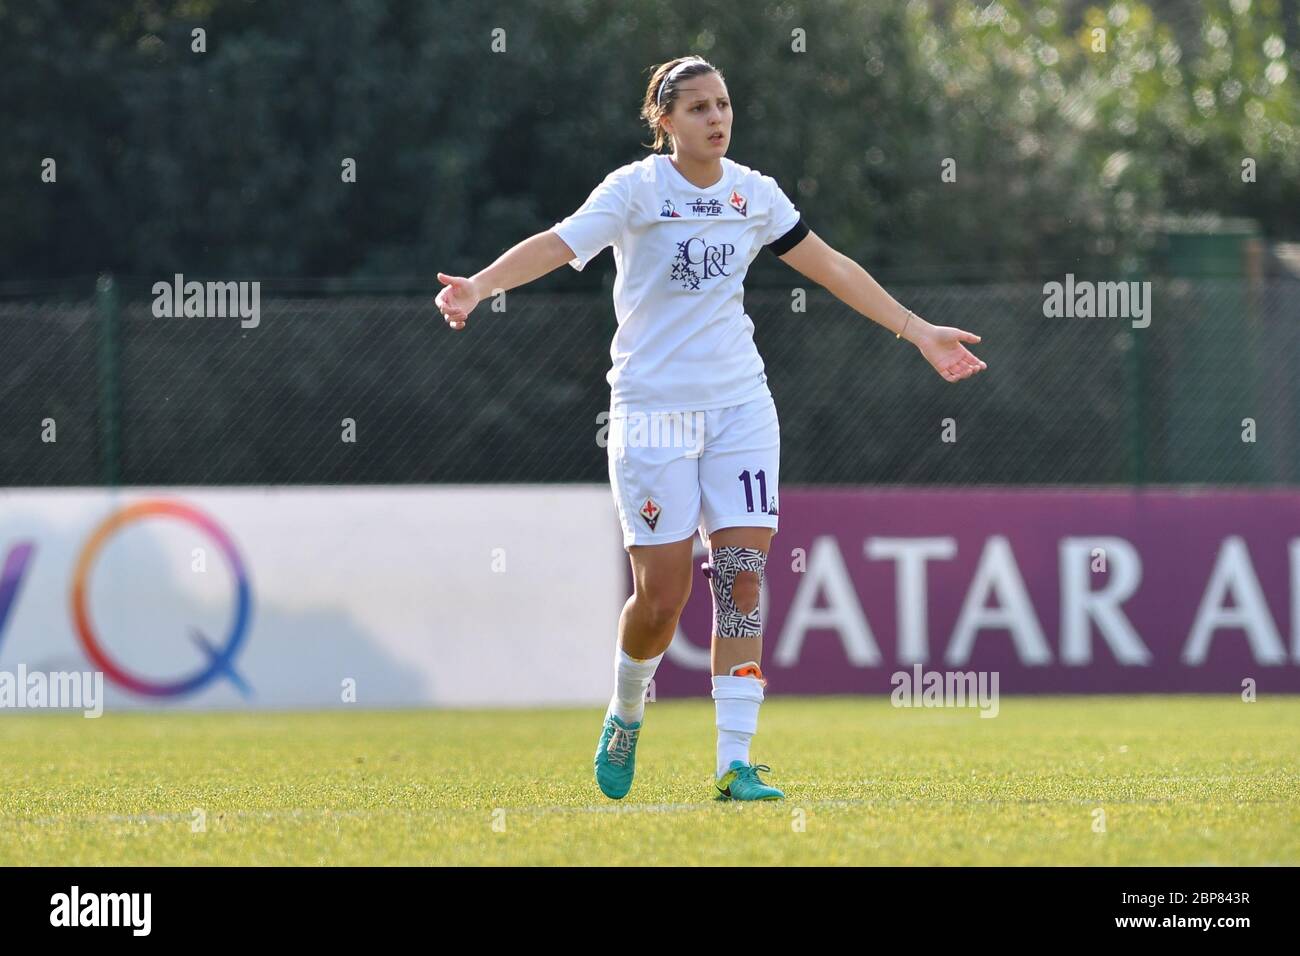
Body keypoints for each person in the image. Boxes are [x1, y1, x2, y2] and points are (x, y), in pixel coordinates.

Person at [435, 55, 987, 802]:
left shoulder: (753, 193)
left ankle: (734, 764)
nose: (717, 118)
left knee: (740, 579)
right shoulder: (634, 191)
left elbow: (831, 267)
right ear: (663, 121)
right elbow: (558, 244)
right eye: (697, 108)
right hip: (652, 413)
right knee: (661, 598)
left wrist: (917, 330)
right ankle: (627, 709)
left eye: (723, 104)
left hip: (739, 409)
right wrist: (480, 285)